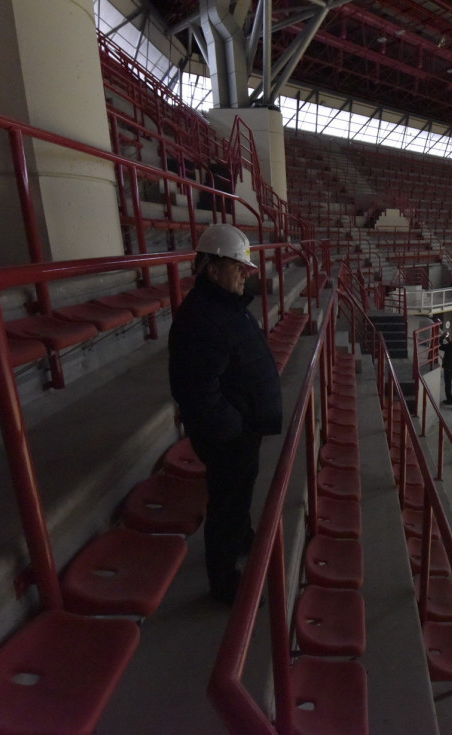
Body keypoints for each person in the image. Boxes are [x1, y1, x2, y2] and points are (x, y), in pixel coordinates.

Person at [168, 223, 283, 604]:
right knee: (225, 503)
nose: (245, 275)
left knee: (239, 493)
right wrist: (236, 429)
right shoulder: (203, 318)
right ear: (212, 268)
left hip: (240, 429)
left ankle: (242, 534)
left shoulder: (222, 305)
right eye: (238, 268)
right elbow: (200, 394)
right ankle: (224, 583)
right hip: (228, 435)